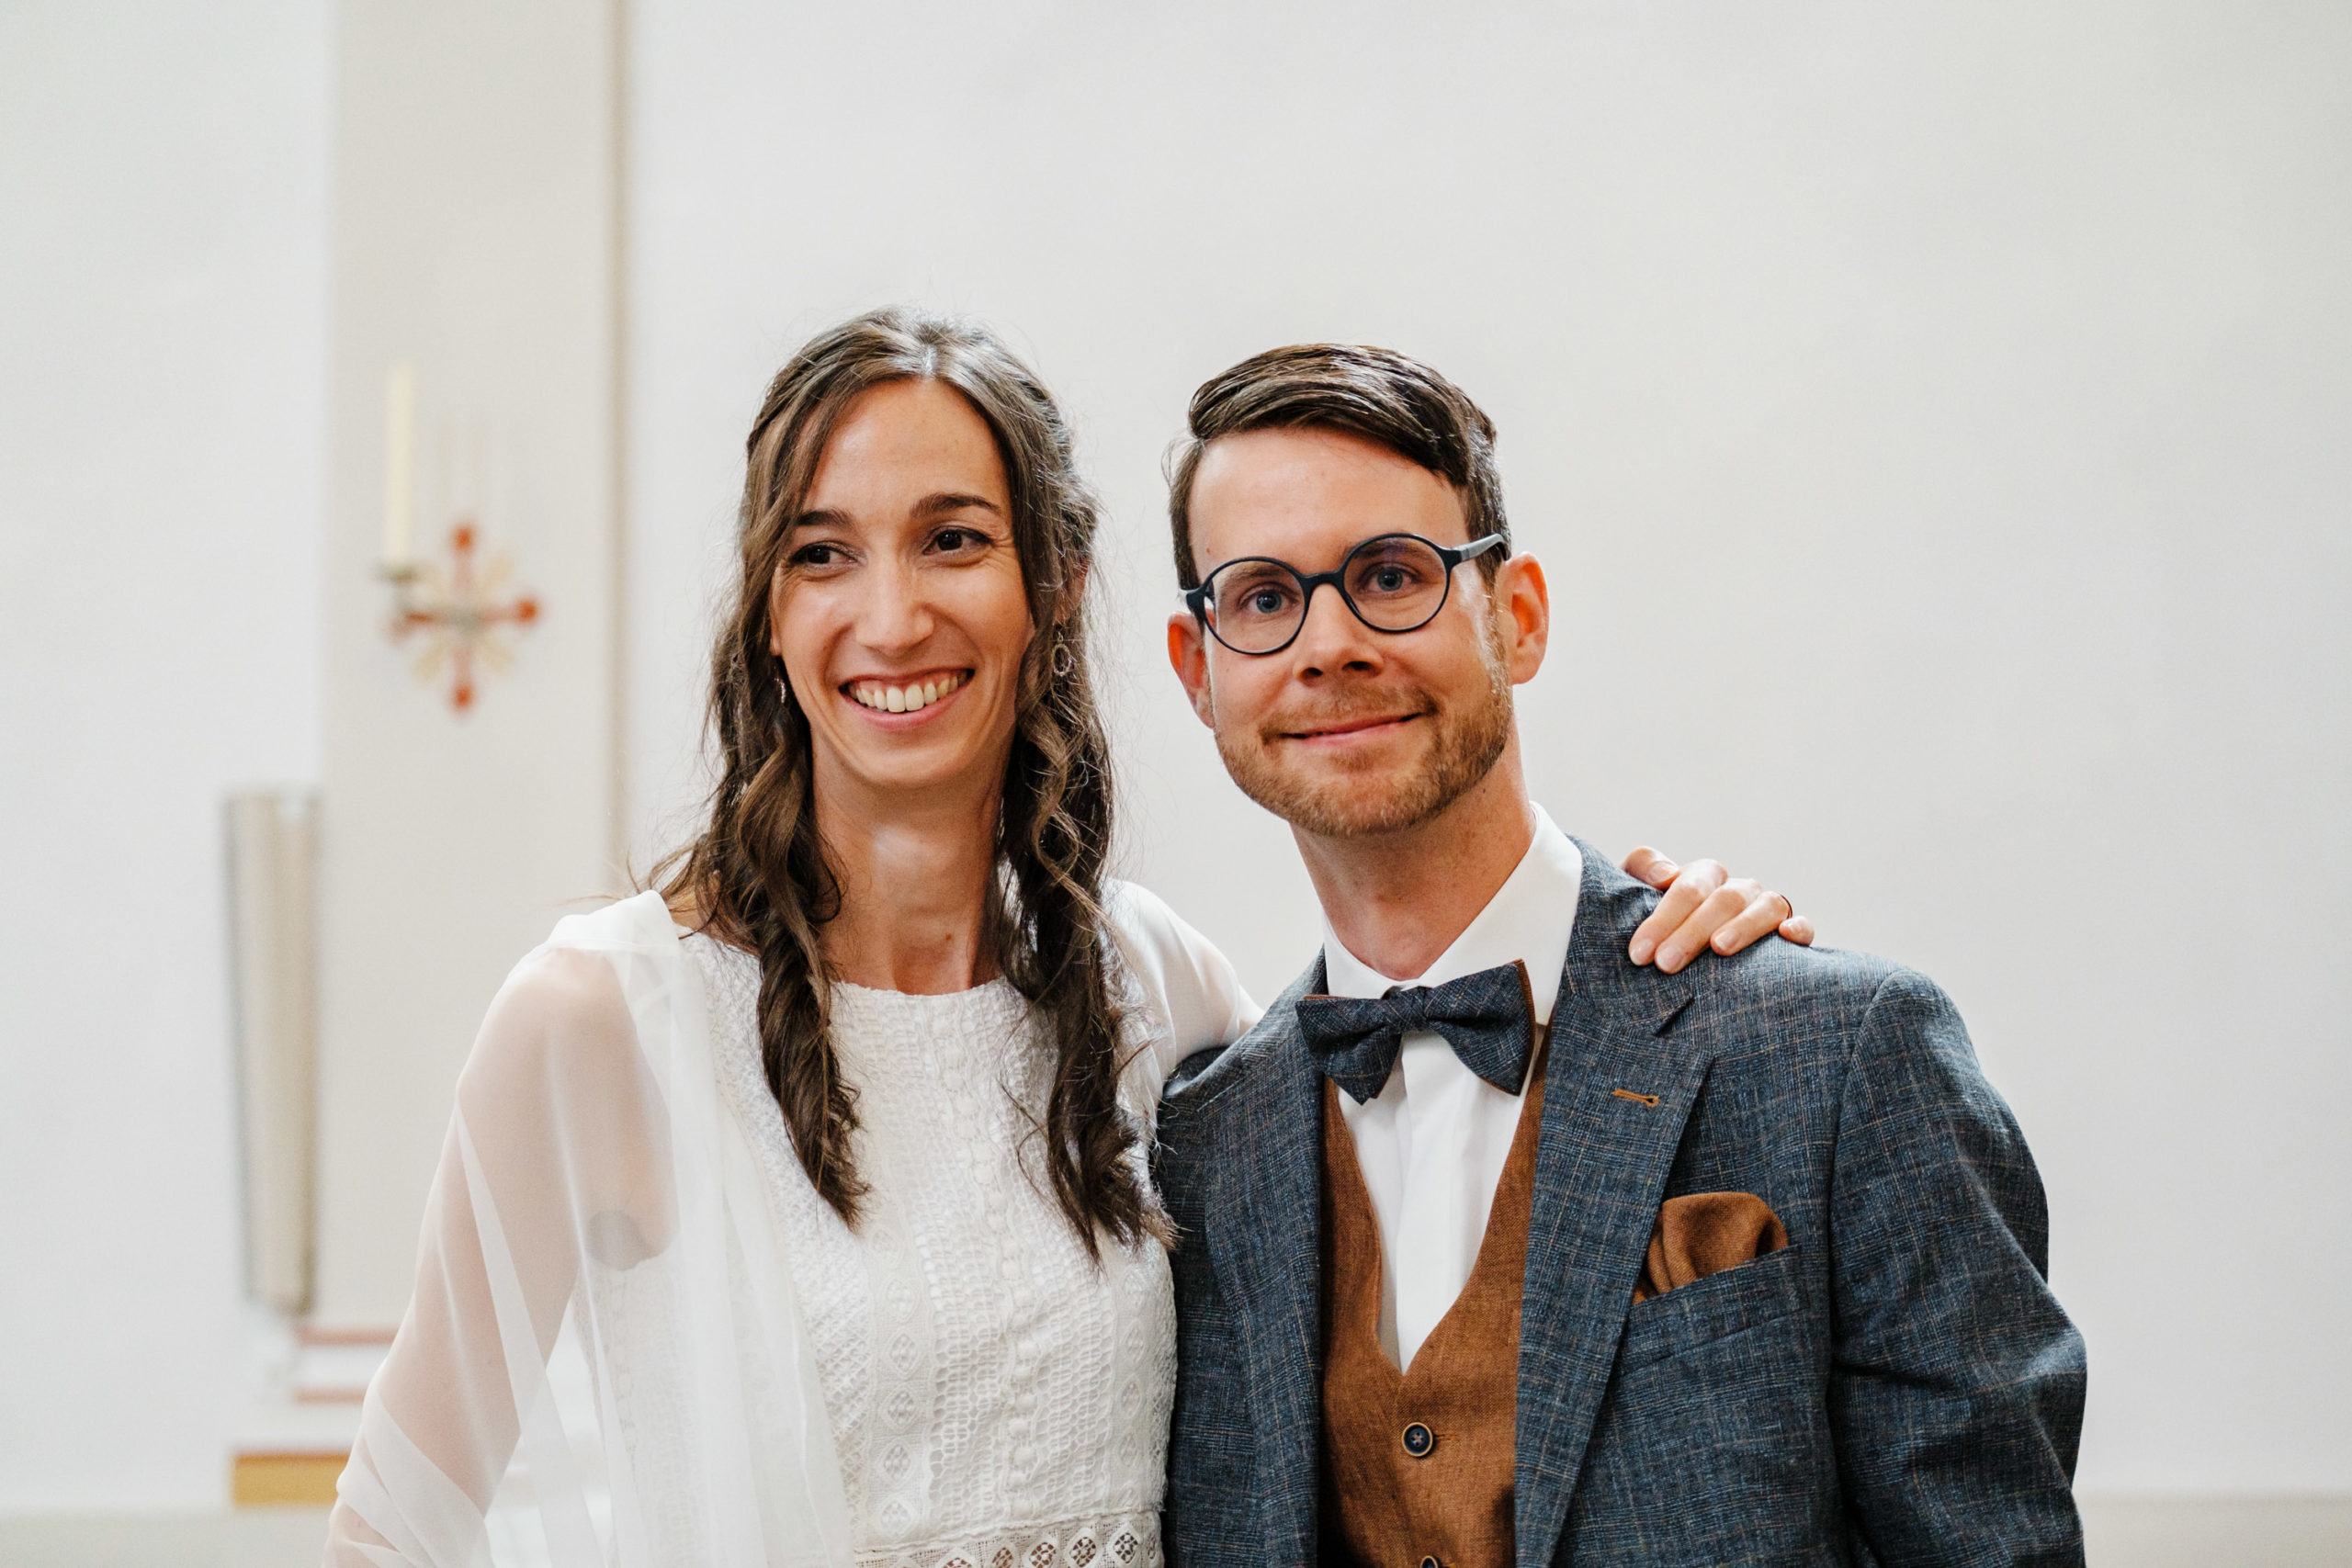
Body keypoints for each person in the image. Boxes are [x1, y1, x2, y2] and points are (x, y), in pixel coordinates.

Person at [324, 309, 1810, 1568]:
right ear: (768, 615)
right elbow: (394, 1525)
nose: (891, 616)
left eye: (952, 540)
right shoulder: (605, 1016)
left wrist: (1669, 931)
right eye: (823, 554)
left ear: (1053, 589)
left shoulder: (1159, 988)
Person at [1152, 344, 2087, 1568]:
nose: (1329, 644)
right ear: (1200, 671)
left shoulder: (1844, 1053)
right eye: (1264, 598)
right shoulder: (1200, 1148)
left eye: (1392, 575)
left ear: (1519, 617)